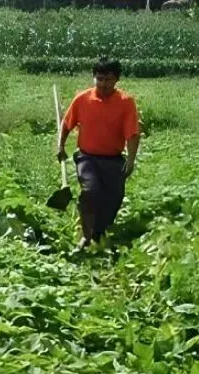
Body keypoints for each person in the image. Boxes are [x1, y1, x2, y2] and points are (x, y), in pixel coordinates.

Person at [57, 58, 141, 249]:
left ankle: (99, 232)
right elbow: (67, 124)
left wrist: (131, 159)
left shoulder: (126, 103)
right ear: (94, 78)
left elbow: (133, 134)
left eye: (108, 79)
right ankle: (86, 235)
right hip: (88, 158)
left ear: (117, 80)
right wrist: (61, 146)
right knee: (90, 192)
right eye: (100, 79)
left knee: (113, 199)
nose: (103, 84)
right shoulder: (82, 99)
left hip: (113, 160)